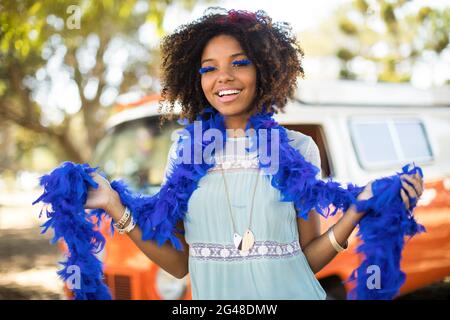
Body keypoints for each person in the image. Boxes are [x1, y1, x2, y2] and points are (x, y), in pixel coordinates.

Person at [84, 8, 424, 299]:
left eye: (239, 63)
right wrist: (115, 206)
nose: (224, 77)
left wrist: (356, 211)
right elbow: (178, 265)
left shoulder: (298, 148)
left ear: (264, 69)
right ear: (197, 78)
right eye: (209, 68)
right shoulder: (184, 154)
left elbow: (306, 261)